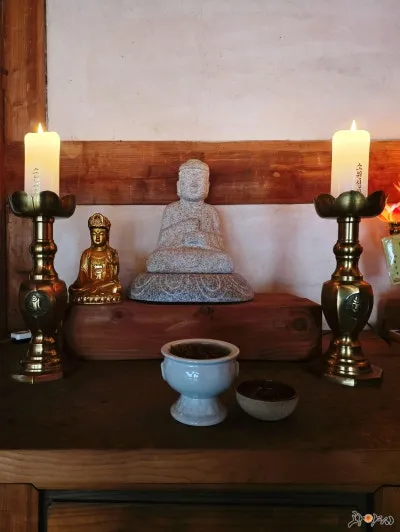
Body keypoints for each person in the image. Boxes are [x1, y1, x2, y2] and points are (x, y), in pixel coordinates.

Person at [147, 159, 234, 274]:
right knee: (156, 259)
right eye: (189, 179)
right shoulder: (171, 209)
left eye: (199, 179)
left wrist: (202, 238)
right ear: (179, 186)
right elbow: (163, 242)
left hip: (204, 254)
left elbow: (219, 244)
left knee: (224, 260)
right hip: (176, 254)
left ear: (207, 186)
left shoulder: (210, 211)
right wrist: (182, 227)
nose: (194, 184)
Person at [69, 213, 122, 304]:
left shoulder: (111, 253)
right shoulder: (87, 254)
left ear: (107, 235)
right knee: (75, 289)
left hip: (105, 286)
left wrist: (114, 262)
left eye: (101, 233)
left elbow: (114, 278)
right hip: (89, 286)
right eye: (94, 234)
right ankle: (93, 293)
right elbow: (82, 276)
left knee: (117, 287)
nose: (97, 237)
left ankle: (94, 293)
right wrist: (86, 285)